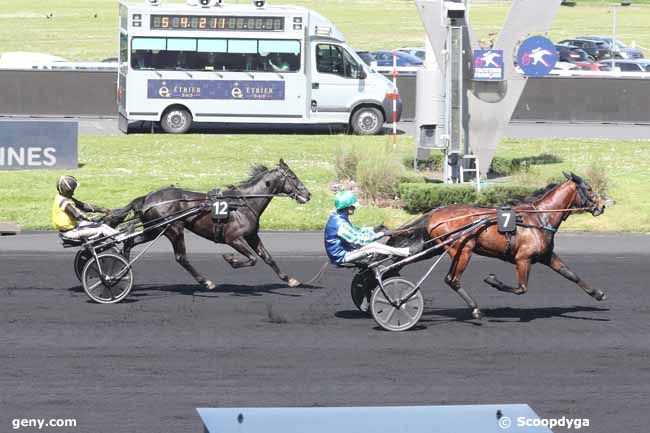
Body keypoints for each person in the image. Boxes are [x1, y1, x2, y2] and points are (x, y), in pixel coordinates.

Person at [324, 191, 417, 265]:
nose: (355, 208)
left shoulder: (338, 217)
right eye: (353, 206)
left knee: (373, 245)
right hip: (341, 256)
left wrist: (374, 229)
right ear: (347, 207)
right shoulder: (340, 224)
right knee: (372, 247)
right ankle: (405, 252)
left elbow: (356, 231)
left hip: (343, 252)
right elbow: (360, 240)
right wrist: (383, 233)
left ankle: (401, 252)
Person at [52, 175, 119, 241]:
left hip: (74, 227)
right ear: (66, 191)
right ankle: (120, 237)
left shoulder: (61, 196)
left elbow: (82, 205)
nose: (73, 193)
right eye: (71, 191)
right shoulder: (64, 203)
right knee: (102, 228)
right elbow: (78, 215)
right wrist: (94, 218)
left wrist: (101, 209)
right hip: (70, 232)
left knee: (99, 225)